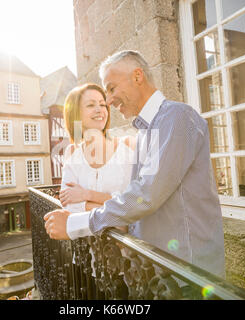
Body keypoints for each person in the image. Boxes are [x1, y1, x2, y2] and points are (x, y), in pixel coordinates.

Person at [45, 50, 225, 278]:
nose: (108, 102)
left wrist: (75, 224)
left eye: (111, 89)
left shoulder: (178, 117)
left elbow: (145, 196)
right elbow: (134, 199)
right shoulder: (144, 134)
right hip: (158, 272)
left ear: (137, 76)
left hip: (188, 274)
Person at [60, 83, 135, 217]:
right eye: (90, 105)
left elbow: (133, 204)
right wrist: (112, 211)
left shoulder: (129, 146)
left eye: (102, 104)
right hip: (87, 237)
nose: (99, 110)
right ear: (75, 113)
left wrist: (87, 195)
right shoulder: (71, 152)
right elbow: (68, 204)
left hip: (125, 238)